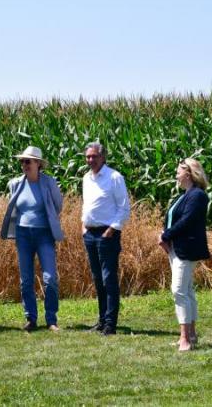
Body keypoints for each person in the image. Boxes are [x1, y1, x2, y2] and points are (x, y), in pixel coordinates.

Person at [0, 146, 64, 332]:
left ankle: (51, 319)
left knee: (50, 278)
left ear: (38, 164)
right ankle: (31, 318)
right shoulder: (15, 183)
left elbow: (57, 206)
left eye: (28, 161)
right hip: (23, 234)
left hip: (44, 233)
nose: (24, 165)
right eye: (22, 161)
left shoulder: (49, 183)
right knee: (26, 279)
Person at [158, 158, 211, 352]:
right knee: (187, 291)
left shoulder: (197, 195)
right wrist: (166, 237)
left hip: (186, 249)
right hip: (176, 248)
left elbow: (187, 221)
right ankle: (191, 334)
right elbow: (174, 219)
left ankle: (185, 339)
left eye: (178, 172)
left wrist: (166, 235)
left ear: (189, 173)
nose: (176, 175)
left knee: (178, 290)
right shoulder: (185, 194)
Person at [81, 142, 130, 336]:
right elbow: (86, 205)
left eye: (94, 156)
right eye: (88, 157)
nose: (90, 160)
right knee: (97, 279)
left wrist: (111, 229)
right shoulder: (86, 178)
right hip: (90, 234)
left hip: (107, 234)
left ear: (103, 157)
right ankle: (102, 320)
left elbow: (124, 207)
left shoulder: (114, 177)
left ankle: (111, 323)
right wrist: (83, 226)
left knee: (109, 278)